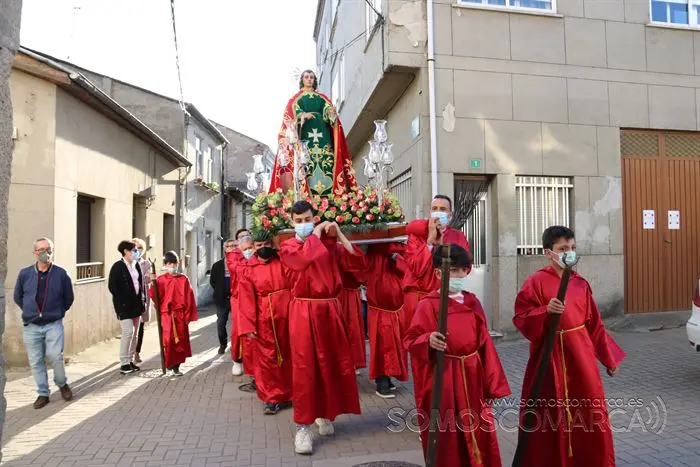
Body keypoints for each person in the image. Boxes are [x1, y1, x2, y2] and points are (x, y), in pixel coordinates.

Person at [513, 226, 626, 467]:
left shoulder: (580, 284)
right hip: (549, 359)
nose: (569, 253)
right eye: (563, 249)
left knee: (588, 413)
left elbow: (595, 325)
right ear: (548, 252)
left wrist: (609, 359)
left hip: (580, 358)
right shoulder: (535, 282)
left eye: (573, 248)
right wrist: (545, 312)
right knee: (548, 416)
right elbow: (522, 317)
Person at [404, 244, 510, 467]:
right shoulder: (428, 306)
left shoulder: (473, 303)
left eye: (462, 269)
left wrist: (491, 385)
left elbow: (485, 345)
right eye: (453, 270)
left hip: (472, 377)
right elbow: (411, 341)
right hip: (445, 380)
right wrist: (428, 340)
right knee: (448, 435)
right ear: (438, 273)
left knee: (478, 431)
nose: (459, 275)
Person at [280, 200, 364, 455]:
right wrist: (316, 235)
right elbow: (304, 259)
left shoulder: (329, 246)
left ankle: (324, 414)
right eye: (299, 221)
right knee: (306, 368)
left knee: (331, 363)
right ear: (292, 222)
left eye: (308, 219)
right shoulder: (288, 247)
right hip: (303, 311)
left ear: (315, 217)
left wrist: (339, 235)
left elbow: (356, 263)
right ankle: (303, 427)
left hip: (329, 309)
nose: (304, 224)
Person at [268, 69, 357, 198]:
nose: (309, 79)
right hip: (305, 141)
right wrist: (301, 116)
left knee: (327, 164)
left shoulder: (323, 98)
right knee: (305, 166)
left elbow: (328, 111)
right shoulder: (295, 99)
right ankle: (305, 195)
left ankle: (330, 197)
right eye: (306, 77)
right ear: (302, 80)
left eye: (311, 77)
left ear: (314, 80)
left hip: (324, 139)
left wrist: (331, 113)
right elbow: (290, 118)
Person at [13, 237, 74, 409]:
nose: (44, 252)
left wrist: (58, 312)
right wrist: (30, 311)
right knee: (35, 360)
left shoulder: (61, 273)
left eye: (48, 249)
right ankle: (43, 393)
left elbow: (69, 298)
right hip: (31, 325)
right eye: (40, 249)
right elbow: (18, 296)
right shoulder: (25, 274)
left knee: (56, 356)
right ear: (34, 253)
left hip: (53, 323)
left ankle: (62, 384)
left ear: (52, 251)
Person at [237, 229, 293, 415]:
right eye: (259, 245)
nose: (264, 248)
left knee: (290, 355)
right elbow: (245, 299)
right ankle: (271, 398)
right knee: (268, 360)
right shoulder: (248, 270)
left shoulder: (283, 262)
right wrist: (249, 326)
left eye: (267, 244)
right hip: (265, 319)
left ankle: (290, 393)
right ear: (253, 247)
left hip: (288, 314)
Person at [362, 242, 408, 398]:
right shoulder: (373, 255)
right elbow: (362, 274)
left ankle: (387, 378)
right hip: (380, 310)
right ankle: (381, 381)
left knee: (395, 345)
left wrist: (396, 257)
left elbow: (407, 271)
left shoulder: (398, 252)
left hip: (396, 309)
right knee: (383, 346)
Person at [149, 251, 198, 376]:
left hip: (180, 315)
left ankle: (176, 366)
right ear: (165, 264)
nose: (171, 266)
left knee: (180, 341)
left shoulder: (183, 279)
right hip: (167, 314)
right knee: (168, 340)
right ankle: (170, 362)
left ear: (178, 263)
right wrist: (152, 283)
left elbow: (189, 298)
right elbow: (155, 296)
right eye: (169, 263)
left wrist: (187, 316)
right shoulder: (161, 280)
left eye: (174, 263)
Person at [108, 240, 147, 375]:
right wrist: (122, 300)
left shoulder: (136, 265)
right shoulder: (118, 266)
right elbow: (112, 286)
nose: (136, 252)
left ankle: (130, 360)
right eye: (134, 250)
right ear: (126, 251)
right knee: (127, 332)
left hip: (137, 305)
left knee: (134, 334)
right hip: (124, 306)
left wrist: (142, 301)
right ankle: (124, 363)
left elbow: (140, 284)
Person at [225, 228, 254, 377]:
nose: (244, 238)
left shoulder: (255, 250)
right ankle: (238, 359)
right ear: (236, 241)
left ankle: (253, 362)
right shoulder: (233, 256)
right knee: (239, 330)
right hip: (239, 297)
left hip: (255, 296)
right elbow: (236, 269)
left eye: (247, 236)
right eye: (241, 237)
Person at [210, 238, 236, 355]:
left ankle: (236, 345)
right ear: (224, 249)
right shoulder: (217, 266)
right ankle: (223, 344)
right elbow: (213, 281)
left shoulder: (241, 263)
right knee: (221, 323)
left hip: (236, 298)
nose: (231, 248)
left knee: (237, 324)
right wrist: (220, 291)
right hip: (222, 300)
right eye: (228, 246)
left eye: (234, 246)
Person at [339, 267, 367, 373]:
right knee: (351, 328)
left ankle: (349, 361)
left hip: (347, 294)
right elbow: (361, 277)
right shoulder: (348, 257)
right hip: (347, 295)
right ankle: (349, 361)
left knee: (351, 328)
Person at [131, 237, 152, 364]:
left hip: (142, 299)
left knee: (140, 327)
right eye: (134, 248)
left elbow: (148, 279)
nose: (136, 250)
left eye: (139, 248)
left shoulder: (146, 264)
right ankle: (128, 353)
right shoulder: (125, 263)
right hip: (129, 300)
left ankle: (137, 352)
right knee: (129, 329)